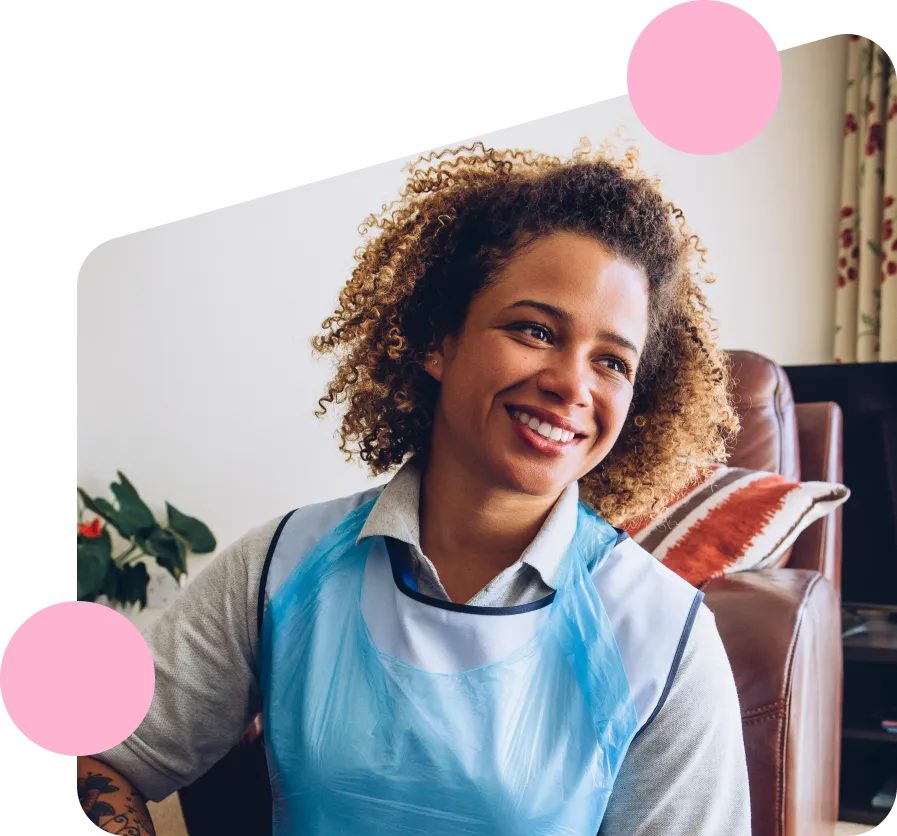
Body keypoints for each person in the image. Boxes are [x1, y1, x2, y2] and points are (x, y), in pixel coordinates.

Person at [75, 140, 751, 835]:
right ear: (437, 338)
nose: (571, 384)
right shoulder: (282, 566)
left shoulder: (665, 638)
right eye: (534, 329)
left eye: (610, 361)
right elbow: (99, 752)